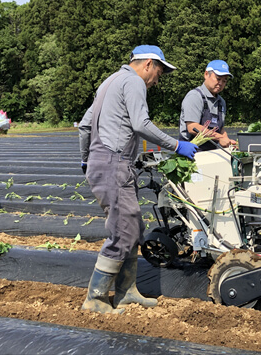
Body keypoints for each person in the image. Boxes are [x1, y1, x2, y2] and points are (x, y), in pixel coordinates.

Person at [78, 45, 198, 314]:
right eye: (159, 72)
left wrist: (86, 158)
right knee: (123, 232)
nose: (158, 79)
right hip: (114, 162)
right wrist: (177, 145)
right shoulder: (133, 82)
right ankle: (95, 299)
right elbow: (141, 124)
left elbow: (86, 125)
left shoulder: (109, 81)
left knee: (132, 226)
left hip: (105, 162)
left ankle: (127, 291)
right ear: (147, 65)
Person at [179, 60, 237, 151]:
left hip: (211, 154)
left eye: (224, 81)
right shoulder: (194, 96)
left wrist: (228, 142)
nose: (221, 83)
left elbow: (220, 129)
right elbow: (192, 127)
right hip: (190, 154)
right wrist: (219, 138)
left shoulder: (221, 102)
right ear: (206, 74)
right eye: (218, 79)